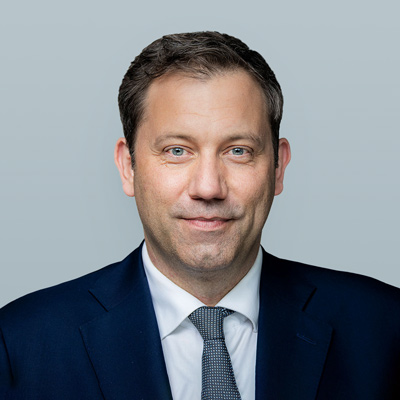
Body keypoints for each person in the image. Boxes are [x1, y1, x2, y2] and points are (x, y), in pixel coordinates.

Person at [0, 31, 399, 400]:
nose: (208, 187)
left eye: (238, 151)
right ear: (128, 166)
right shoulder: (20, 343)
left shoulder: (385, 329)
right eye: (177, 150)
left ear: (278, 168)